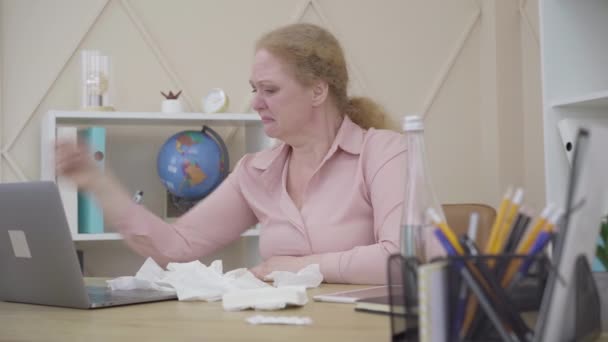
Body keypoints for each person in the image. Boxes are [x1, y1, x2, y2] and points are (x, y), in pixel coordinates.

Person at [56, 23, 442, 285]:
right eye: (253, 88)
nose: (255, 102)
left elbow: (400, 260)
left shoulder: (386, 153)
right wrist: (97, 182)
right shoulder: (255, 172)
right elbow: (177, 248)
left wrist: (296, 267)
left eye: (269, 90)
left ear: (318, 91)